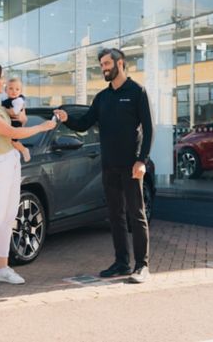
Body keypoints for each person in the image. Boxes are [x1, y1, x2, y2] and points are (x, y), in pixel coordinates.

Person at [53, 47, 153, 284]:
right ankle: (121, 262)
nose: (103, 69)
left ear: (120, 63)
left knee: (136, 215)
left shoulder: (137, 91)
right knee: (115, 216)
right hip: (109, 165)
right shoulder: (102, 97)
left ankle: (142, 266)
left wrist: (142, 160)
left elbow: (149, 129)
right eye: (101, 65)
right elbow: (84, 123)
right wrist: (67, 119)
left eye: (107, 64)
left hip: (131, 165)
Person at [0, 61, 57, 293]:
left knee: (8, 217)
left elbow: (12, 132)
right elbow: (11, 131)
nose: (4, 81)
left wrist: (21, 142)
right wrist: (41, 127)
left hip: (10, 161)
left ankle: (3, 268)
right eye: (1, 78)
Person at [1, 77, 31, 162]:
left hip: (15, 124)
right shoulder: (7, 100)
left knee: (13, 141)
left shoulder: (18, 101)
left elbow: (14, 112)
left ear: (20, 91)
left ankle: (24, 150)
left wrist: (3, 109)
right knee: (8, 140)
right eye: (11, 88)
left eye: (17, 89)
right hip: (10, 123)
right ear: (6, 90)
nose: (14, 91)